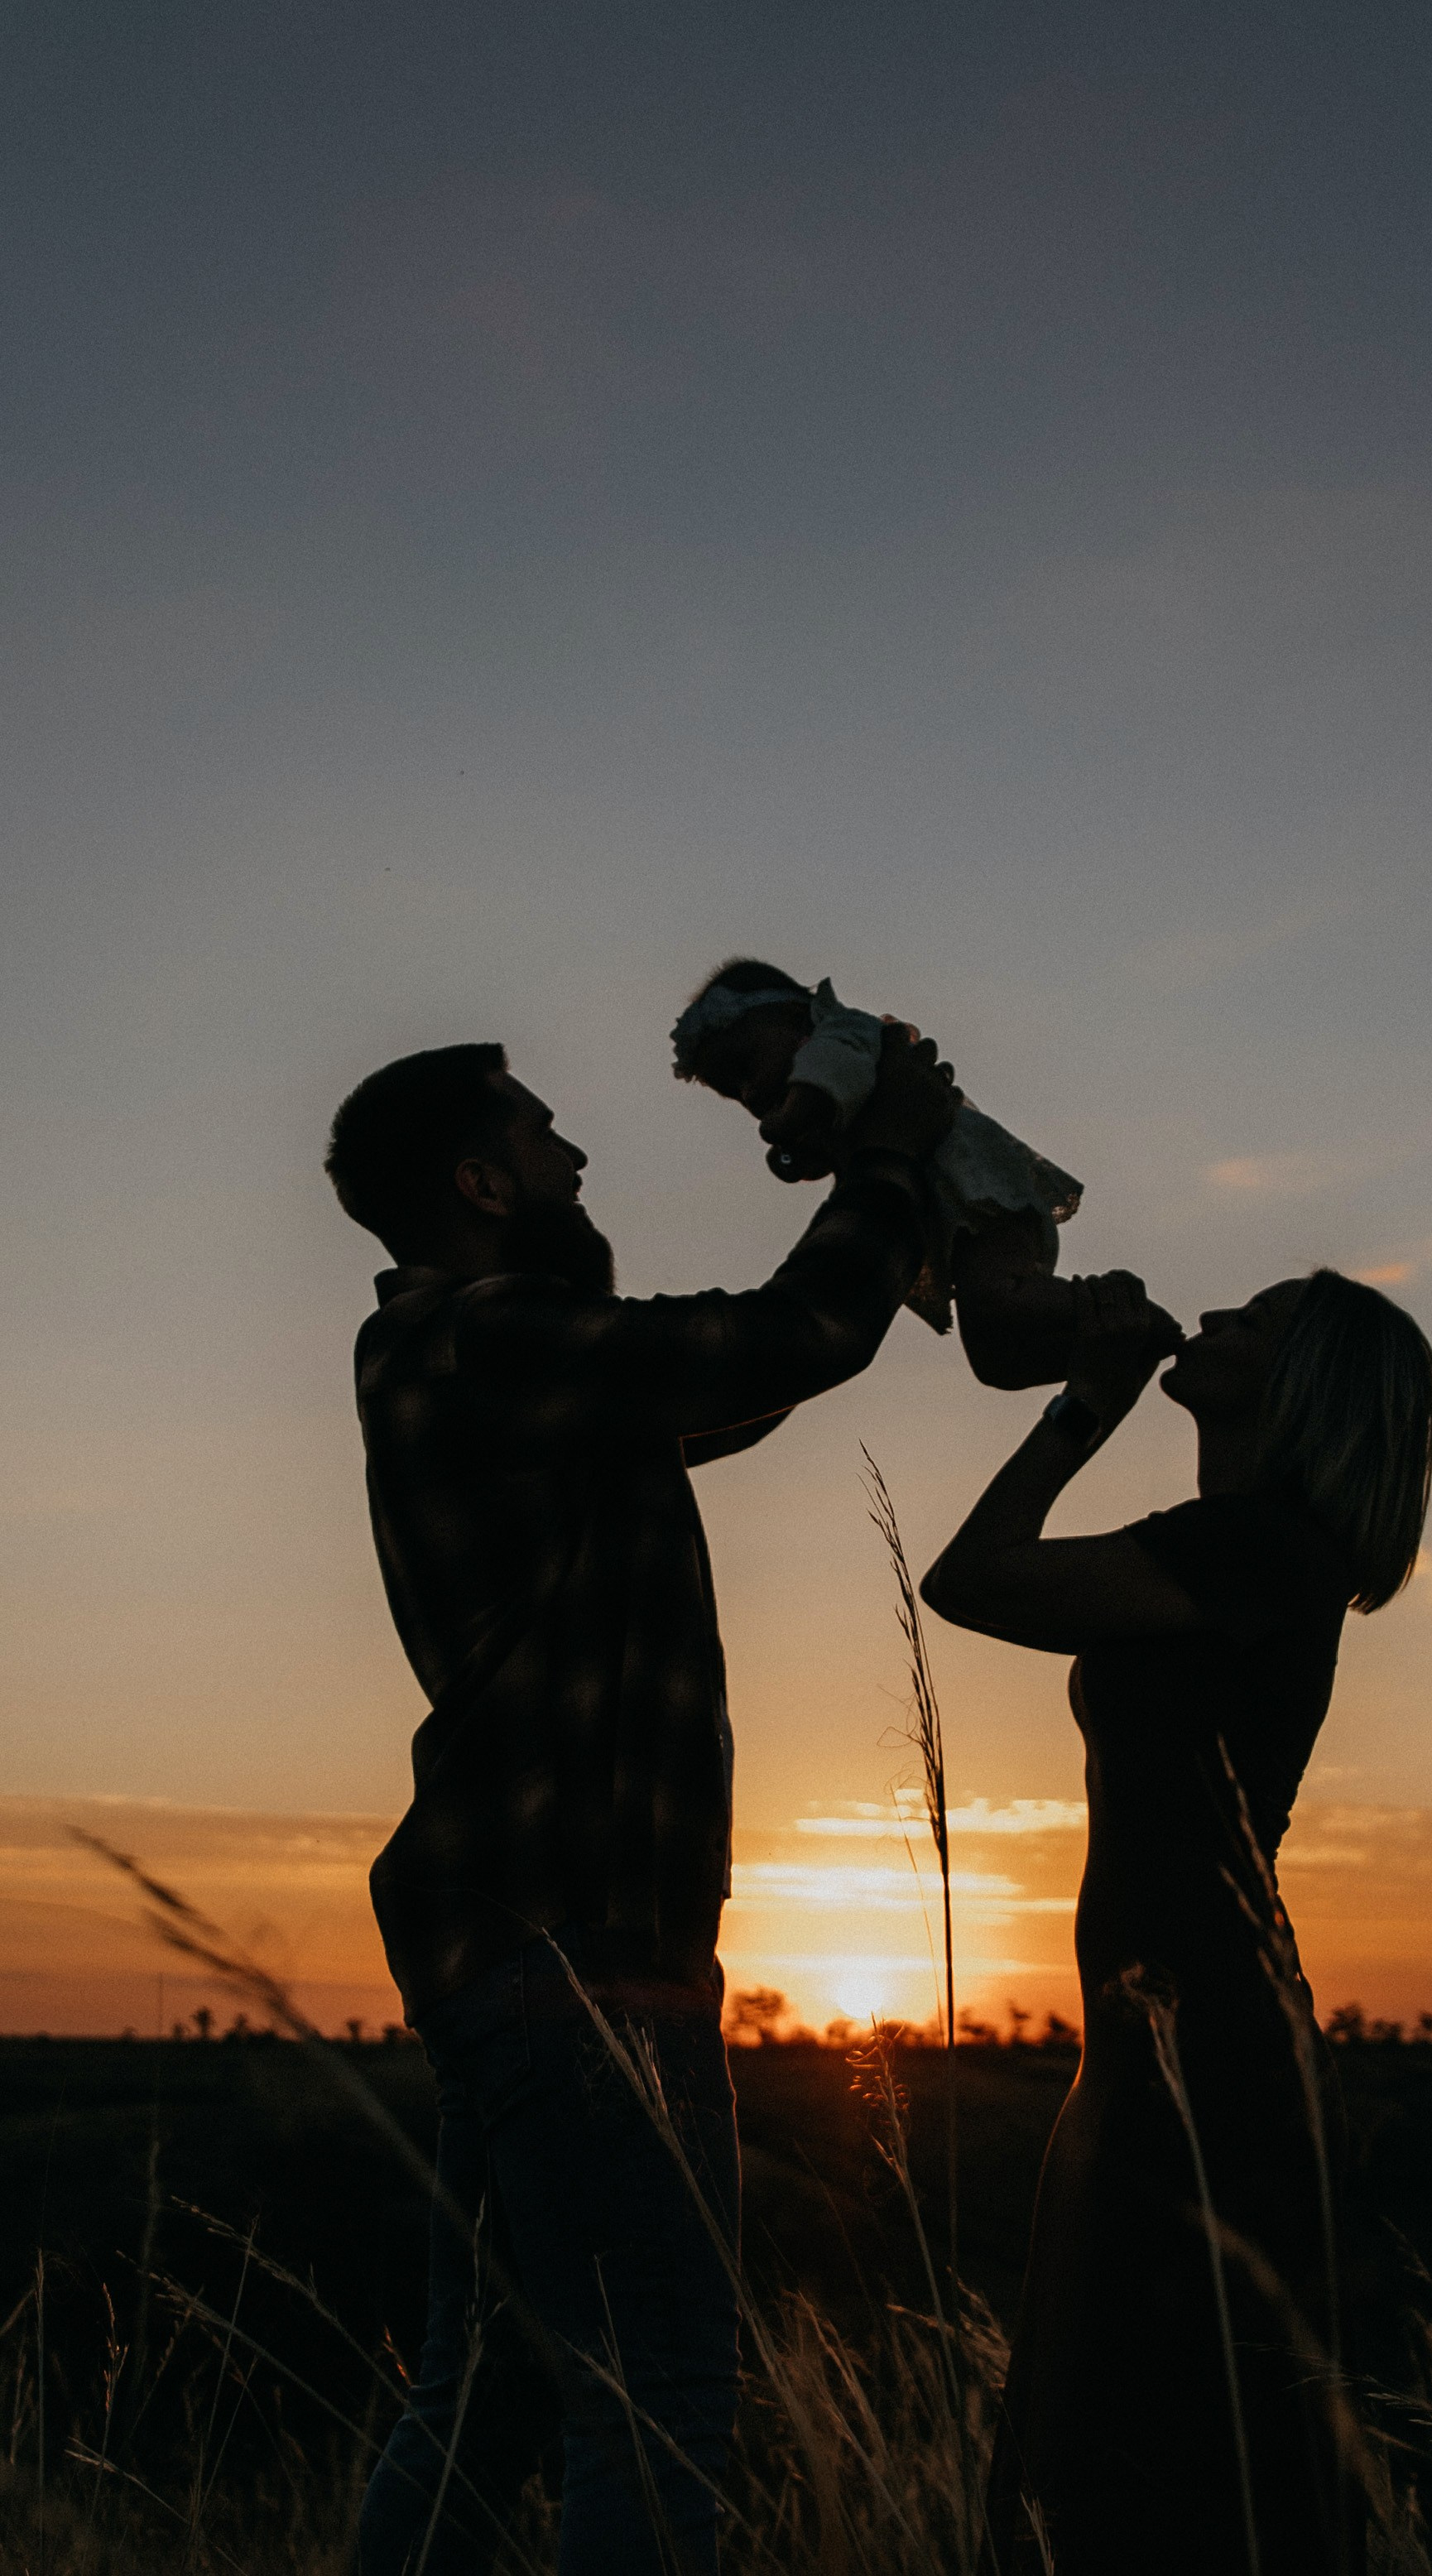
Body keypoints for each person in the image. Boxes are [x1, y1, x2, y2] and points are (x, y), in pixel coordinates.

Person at [323, 1026, 957, 2574]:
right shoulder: (487, 1335)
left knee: (485, 2393)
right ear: (479, 1180)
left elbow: (733, 1378)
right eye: (542, 1136)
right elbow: (782, 1338)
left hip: (519, 1934)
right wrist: (886, 1152)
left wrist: (854, 1195)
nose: (579, 1157)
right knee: (660, 2395)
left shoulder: (490, 1350)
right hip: (581, 1940)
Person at [920, 1267, 1432, 2575]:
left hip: (1195, 2061)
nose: (1208, 1322)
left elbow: (972, 1579)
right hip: (1161, 2048)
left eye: (1249, 1322)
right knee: (1144, 2465)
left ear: (1304, 1383)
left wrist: (1086, 1402)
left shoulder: (1256, 1547)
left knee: (1143, 2474)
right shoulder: (1234, 1546)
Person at [670, 957, 1084, 1385]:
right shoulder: (830, 1080)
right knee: (994, 1358)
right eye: (734, 1092)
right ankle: (1100, 1355)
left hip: (976, 1198)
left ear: (798, 1020)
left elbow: (818, 1093)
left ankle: (1112, 1309)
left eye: (746, 1066)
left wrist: (782, 1128)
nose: (750, 1091)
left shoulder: (843, 1038)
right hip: (948, 1216)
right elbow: (822, 1153)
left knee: (1002, 1303)